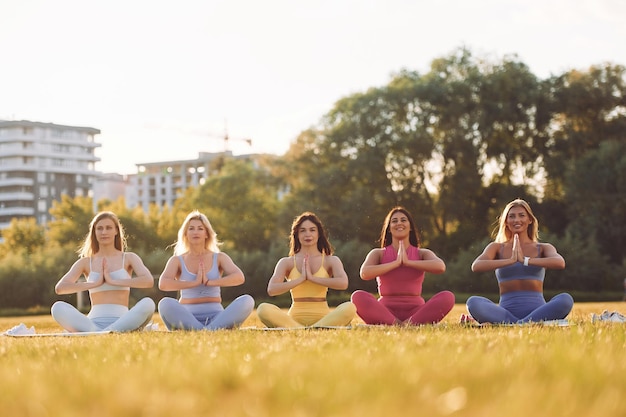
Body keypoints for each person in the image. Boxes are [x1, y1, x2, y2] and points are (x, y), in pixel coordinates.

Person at [466, 198, 573, 324]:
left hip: (539, 311)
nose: (517, 220)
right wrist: (511, 260)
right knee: (473, 302)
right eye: (512, 216)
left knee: (566, 299)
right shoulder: (496, 247)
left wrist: (525, 260)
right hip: (505, 313)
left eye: (522, 215)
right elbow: (476, 266)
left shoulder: (543, 248)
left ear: (530, 220)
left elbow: (559, 262)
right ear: (506, 221)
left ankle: (516, 324)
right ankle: (525, 323)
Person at [51, 211, 156, 332]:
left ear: (116, 231)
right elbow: (60, 288)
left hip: (124, 320)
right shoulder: (85, 262)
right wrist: (94, 284)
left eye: (108, 228)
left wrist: (114, 281)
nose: (104, 232)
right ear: (94, 232)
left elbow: (148, 281)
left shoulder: (129, 258)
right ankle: (107, 332)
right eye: (99, 228)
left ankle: (104, 332)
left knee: (148, 304)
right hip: (92, 323)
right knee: (57, 307)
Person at [351, 206, 455, 325]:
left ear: (410, 227)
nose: (399, 223)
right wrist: (395, 263)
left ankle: (408, 323)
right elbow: (364, 273)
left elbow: (440, 267)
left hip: (416, 311)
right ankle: (398, 323)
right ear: (389, 228)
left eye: (403, 220)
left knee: (448, 297)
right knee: (357, 297)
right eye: (394, 221)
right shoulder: (378, 253)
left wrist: (408, 262)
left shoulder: (422, 253)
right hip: (385, 311)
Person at [157, 210, 254, 330]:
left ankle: (205, 330)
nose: (195, 232)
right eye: (191, 228)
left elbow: (239, 277)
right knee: (165, 303)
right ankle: (211, 330)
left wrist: (209, 282)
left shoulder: (219, 257)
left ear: (207, 233)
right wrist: (194, 283)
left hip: (217, 316)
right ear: (185, 234)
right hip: (188, 317)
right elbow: (163, 284)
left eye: (200, 228)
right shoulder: (176, 260)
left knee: (247, 300)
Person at [256, 212, 356, 328]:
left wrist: (313, 278)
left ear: (319, 234)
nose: (307, 234)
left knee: (350, 307)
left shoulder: (331, 260)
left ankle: (311, 328)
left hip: (324, 318)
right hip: (294, 319)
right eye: (302, 230)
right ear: (297, 235)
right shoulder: (286, 262)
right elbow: (272, 289)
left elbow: (343, 284)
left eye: (312, 230)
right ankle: (311, 329)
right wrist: (301, 279)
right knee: (263, 309)